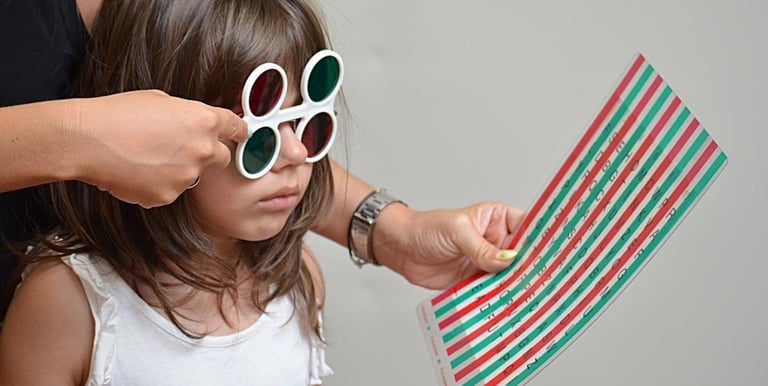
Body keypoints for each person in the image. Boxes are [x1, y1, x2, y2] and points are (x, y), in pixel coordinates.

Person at [0, 1, 525, 382]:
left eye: (312, 122)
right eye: (262, 135)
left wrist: (396, 229)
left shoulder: (297, 281)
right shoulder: (64, 310)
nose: (296, 155)